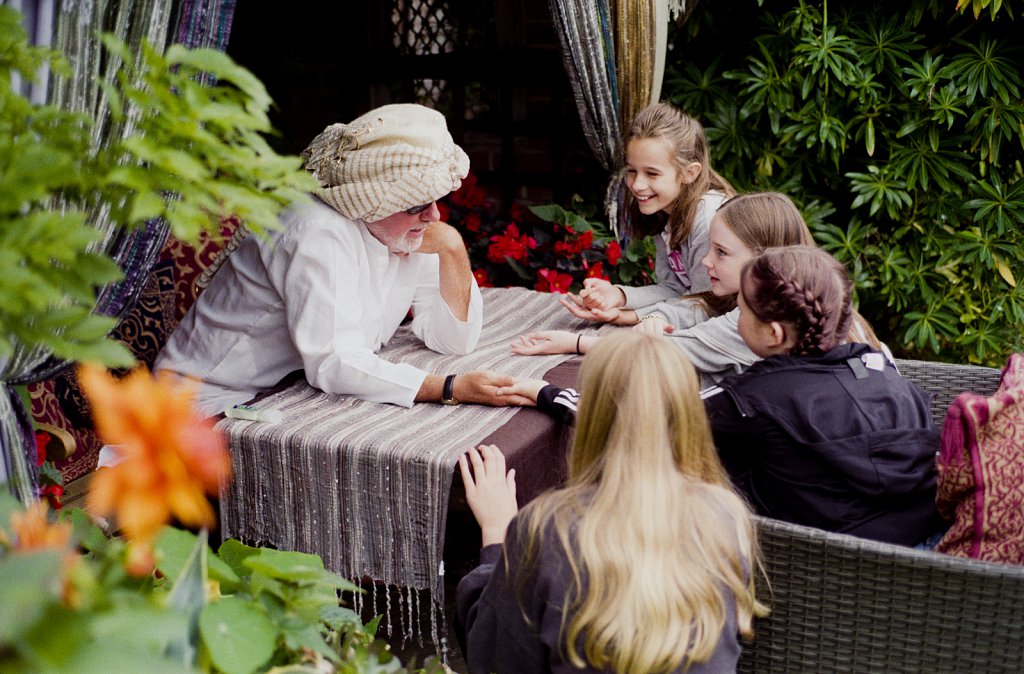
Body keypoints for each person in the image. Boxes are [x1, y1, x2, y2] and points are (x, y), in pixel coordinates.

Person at [154, 104, 530, 416]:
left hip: (290, 393)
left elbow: (452, 342)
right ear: (370, 199)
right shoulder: (317, 231)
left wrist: (451, 248)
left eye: (436, 201)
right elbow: (335, 362)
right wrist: (449, 388)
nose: (433, 215)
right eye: (418, 204)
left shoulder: (402, 228)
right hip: (204, 404)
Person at [456, 331, 763, 674]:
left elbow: (493, 660)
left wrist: (498, 533)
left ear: (592, 416)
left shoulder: (550, 530)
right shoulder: (726, 516)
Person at [703, 246, 945, 546]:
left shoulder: (751, 400)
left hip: (820, 571)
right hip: (931, 556)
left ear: (773, 334)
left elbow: (666, 416)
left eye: (741, 310)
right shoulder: (881, 371)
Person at [513, 192, 814, 386]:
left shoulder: (754, 322)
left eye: (721, 252)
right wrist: (627, 309)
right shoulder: (790, 302)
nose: (706, 261)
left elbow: (669, 349)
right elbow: (697, 305)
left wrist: (575, 342)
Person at [570, 102, 735, 317]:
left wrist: (628, 317)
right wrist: (619, 296)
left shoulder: (708, 217)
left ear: (689, 173)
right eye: (632, 171)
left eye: (652, 173)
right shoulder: (666, 213)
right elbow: (674, 289)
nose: (637, 185)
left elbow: (708, 304)